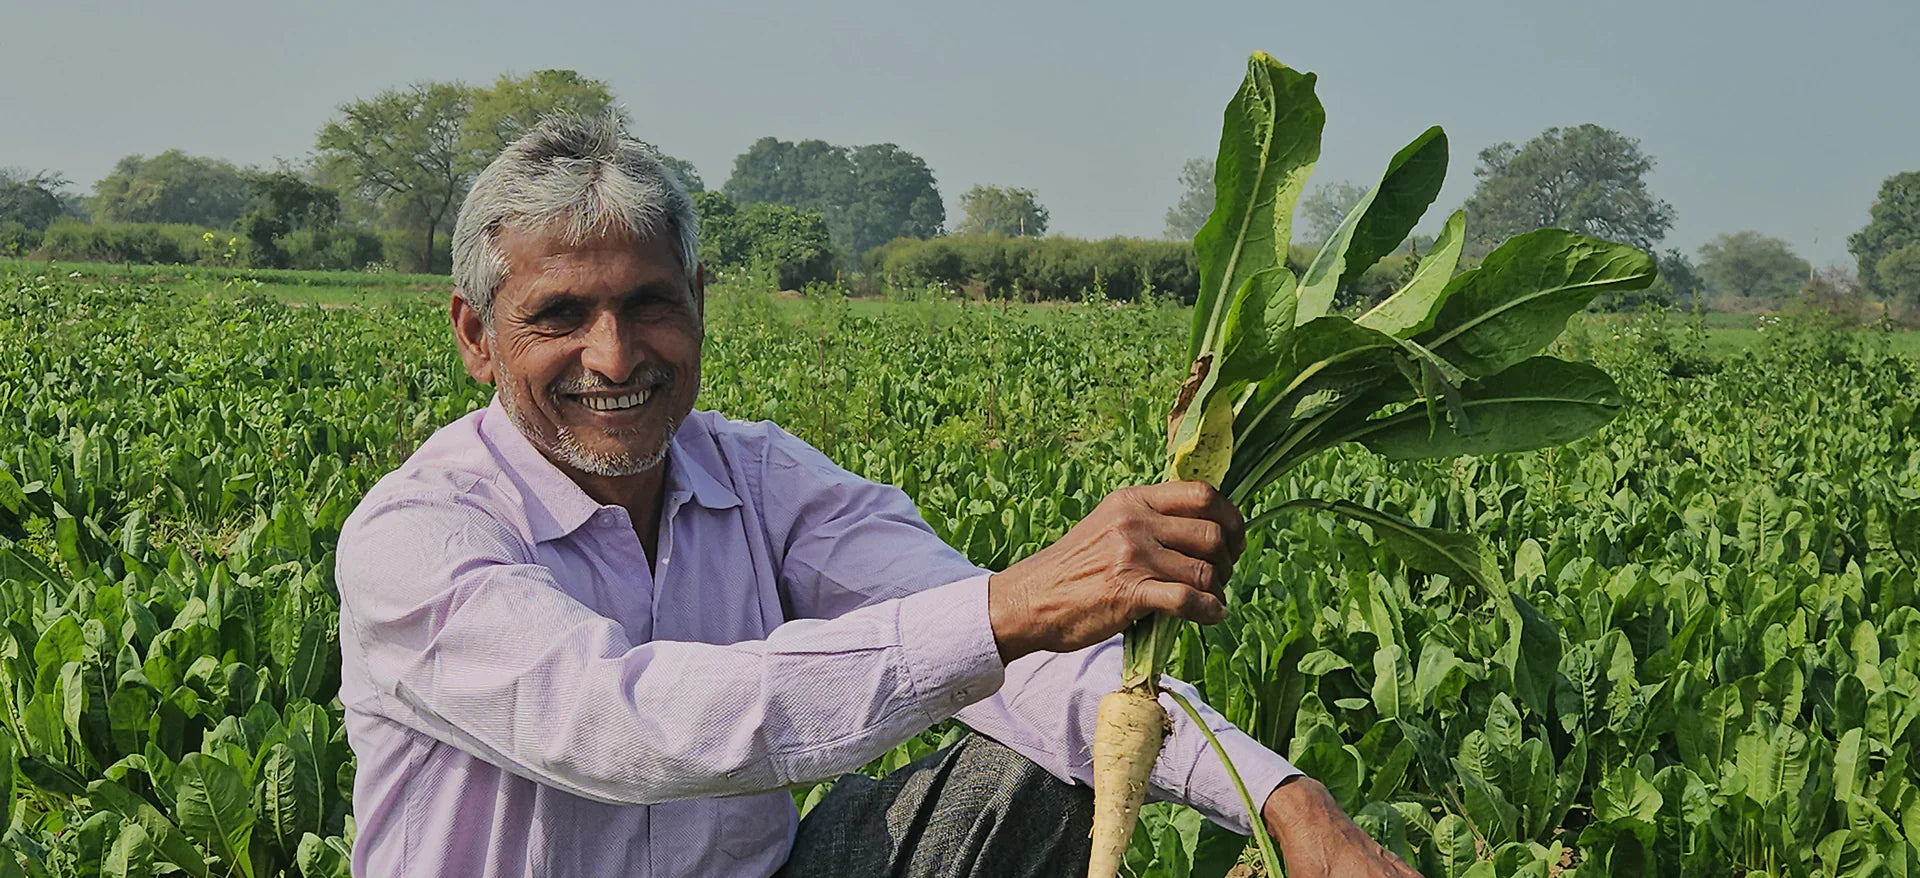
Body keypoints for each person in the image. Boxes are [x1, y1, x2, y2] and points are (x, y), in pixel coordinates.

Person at [334, 114, 1418, 877]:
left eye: (650, 303)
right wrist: (1010, 605)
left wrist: (1290, 804)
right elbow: (625, 726)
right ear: (476, 335)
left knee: (1047, 749)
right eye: (560, 315)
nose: (614, 356)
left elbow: (1023, 668)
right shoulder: (418, 535)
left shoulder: (760, 479)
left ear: (699, 302)